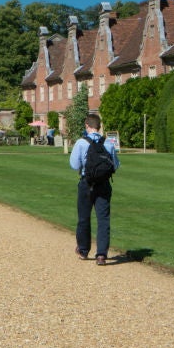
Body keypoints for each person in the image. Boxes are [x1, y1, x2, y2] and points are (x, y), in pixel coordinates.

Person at [70, 113, 119, 265]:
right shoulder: (108, 143)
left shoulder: (81, 142)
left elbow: (74, 165)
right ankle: (101, 255)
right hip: (104, 184)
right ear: (99, 126)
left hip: (87, 183)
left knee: (84, 217)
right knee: (103, 219)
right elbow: (115, 165)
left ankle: (84, 250)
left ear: (87, 125)